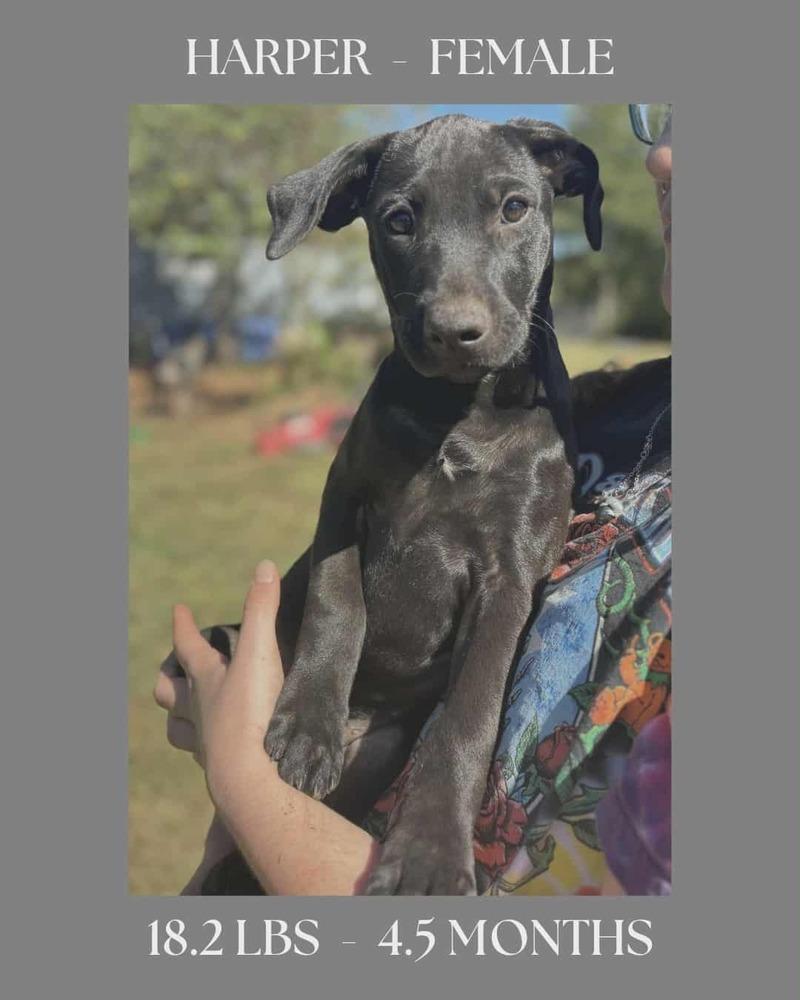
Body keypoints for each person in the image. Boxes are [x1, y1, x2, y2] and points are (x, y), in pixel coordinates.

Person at [154, 103, 672, 896]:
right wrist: (306, 677)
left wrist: (242, 777)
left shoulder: (550, 436)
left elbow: (504, 603)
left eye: (510, 210)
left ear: (563, 193)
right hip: (318, 698)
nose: (456, 306)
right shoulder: (616, 409)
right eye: (402, 221)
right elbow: (350, 513)